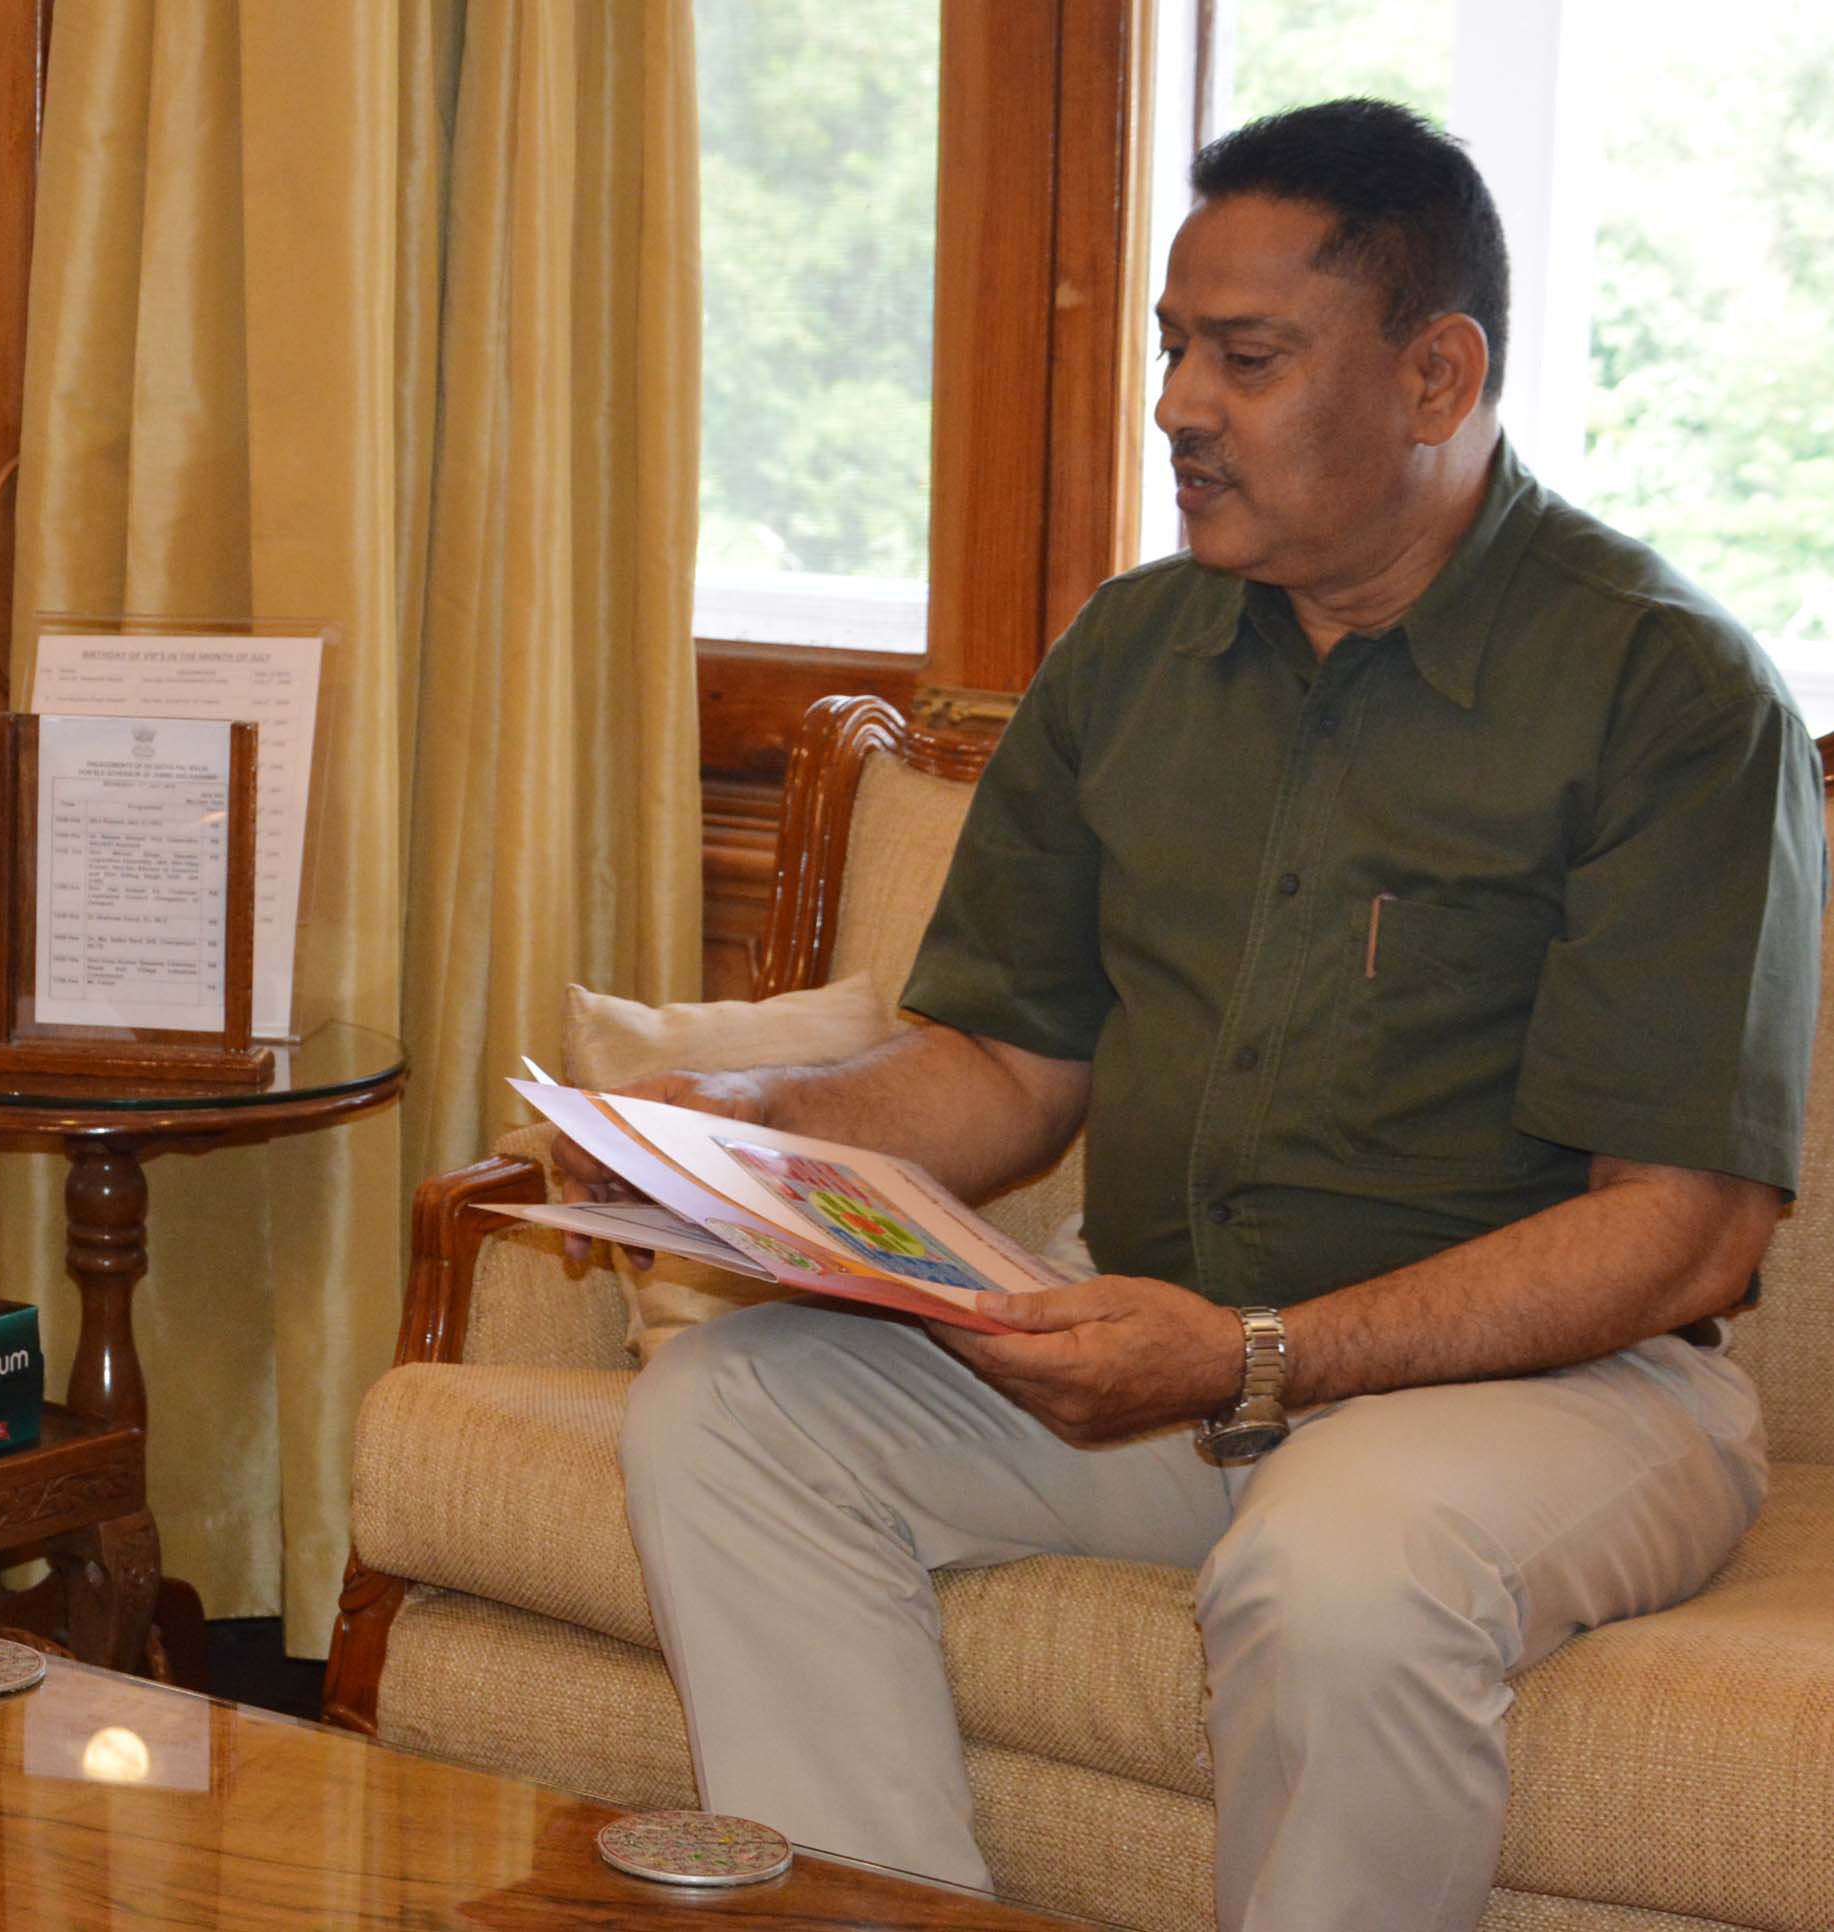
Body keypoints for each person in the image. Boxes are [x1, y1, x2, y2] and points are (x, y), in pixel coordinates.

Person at [573, 100, 1818, 1931]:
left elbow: (1686, 1229)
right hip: (1156, 1350)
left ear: (1433, 375)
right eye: (1170, 349)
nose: (1176, 406)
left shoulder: (1666, 689)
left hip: (1552, 1396)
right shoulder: (1133, 650)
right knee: (729, 1413)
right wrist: (736, 1136)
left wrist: (1255, 1357)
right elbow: (1004, 1064)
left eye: (1246, 358)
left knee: (1341, 1574)